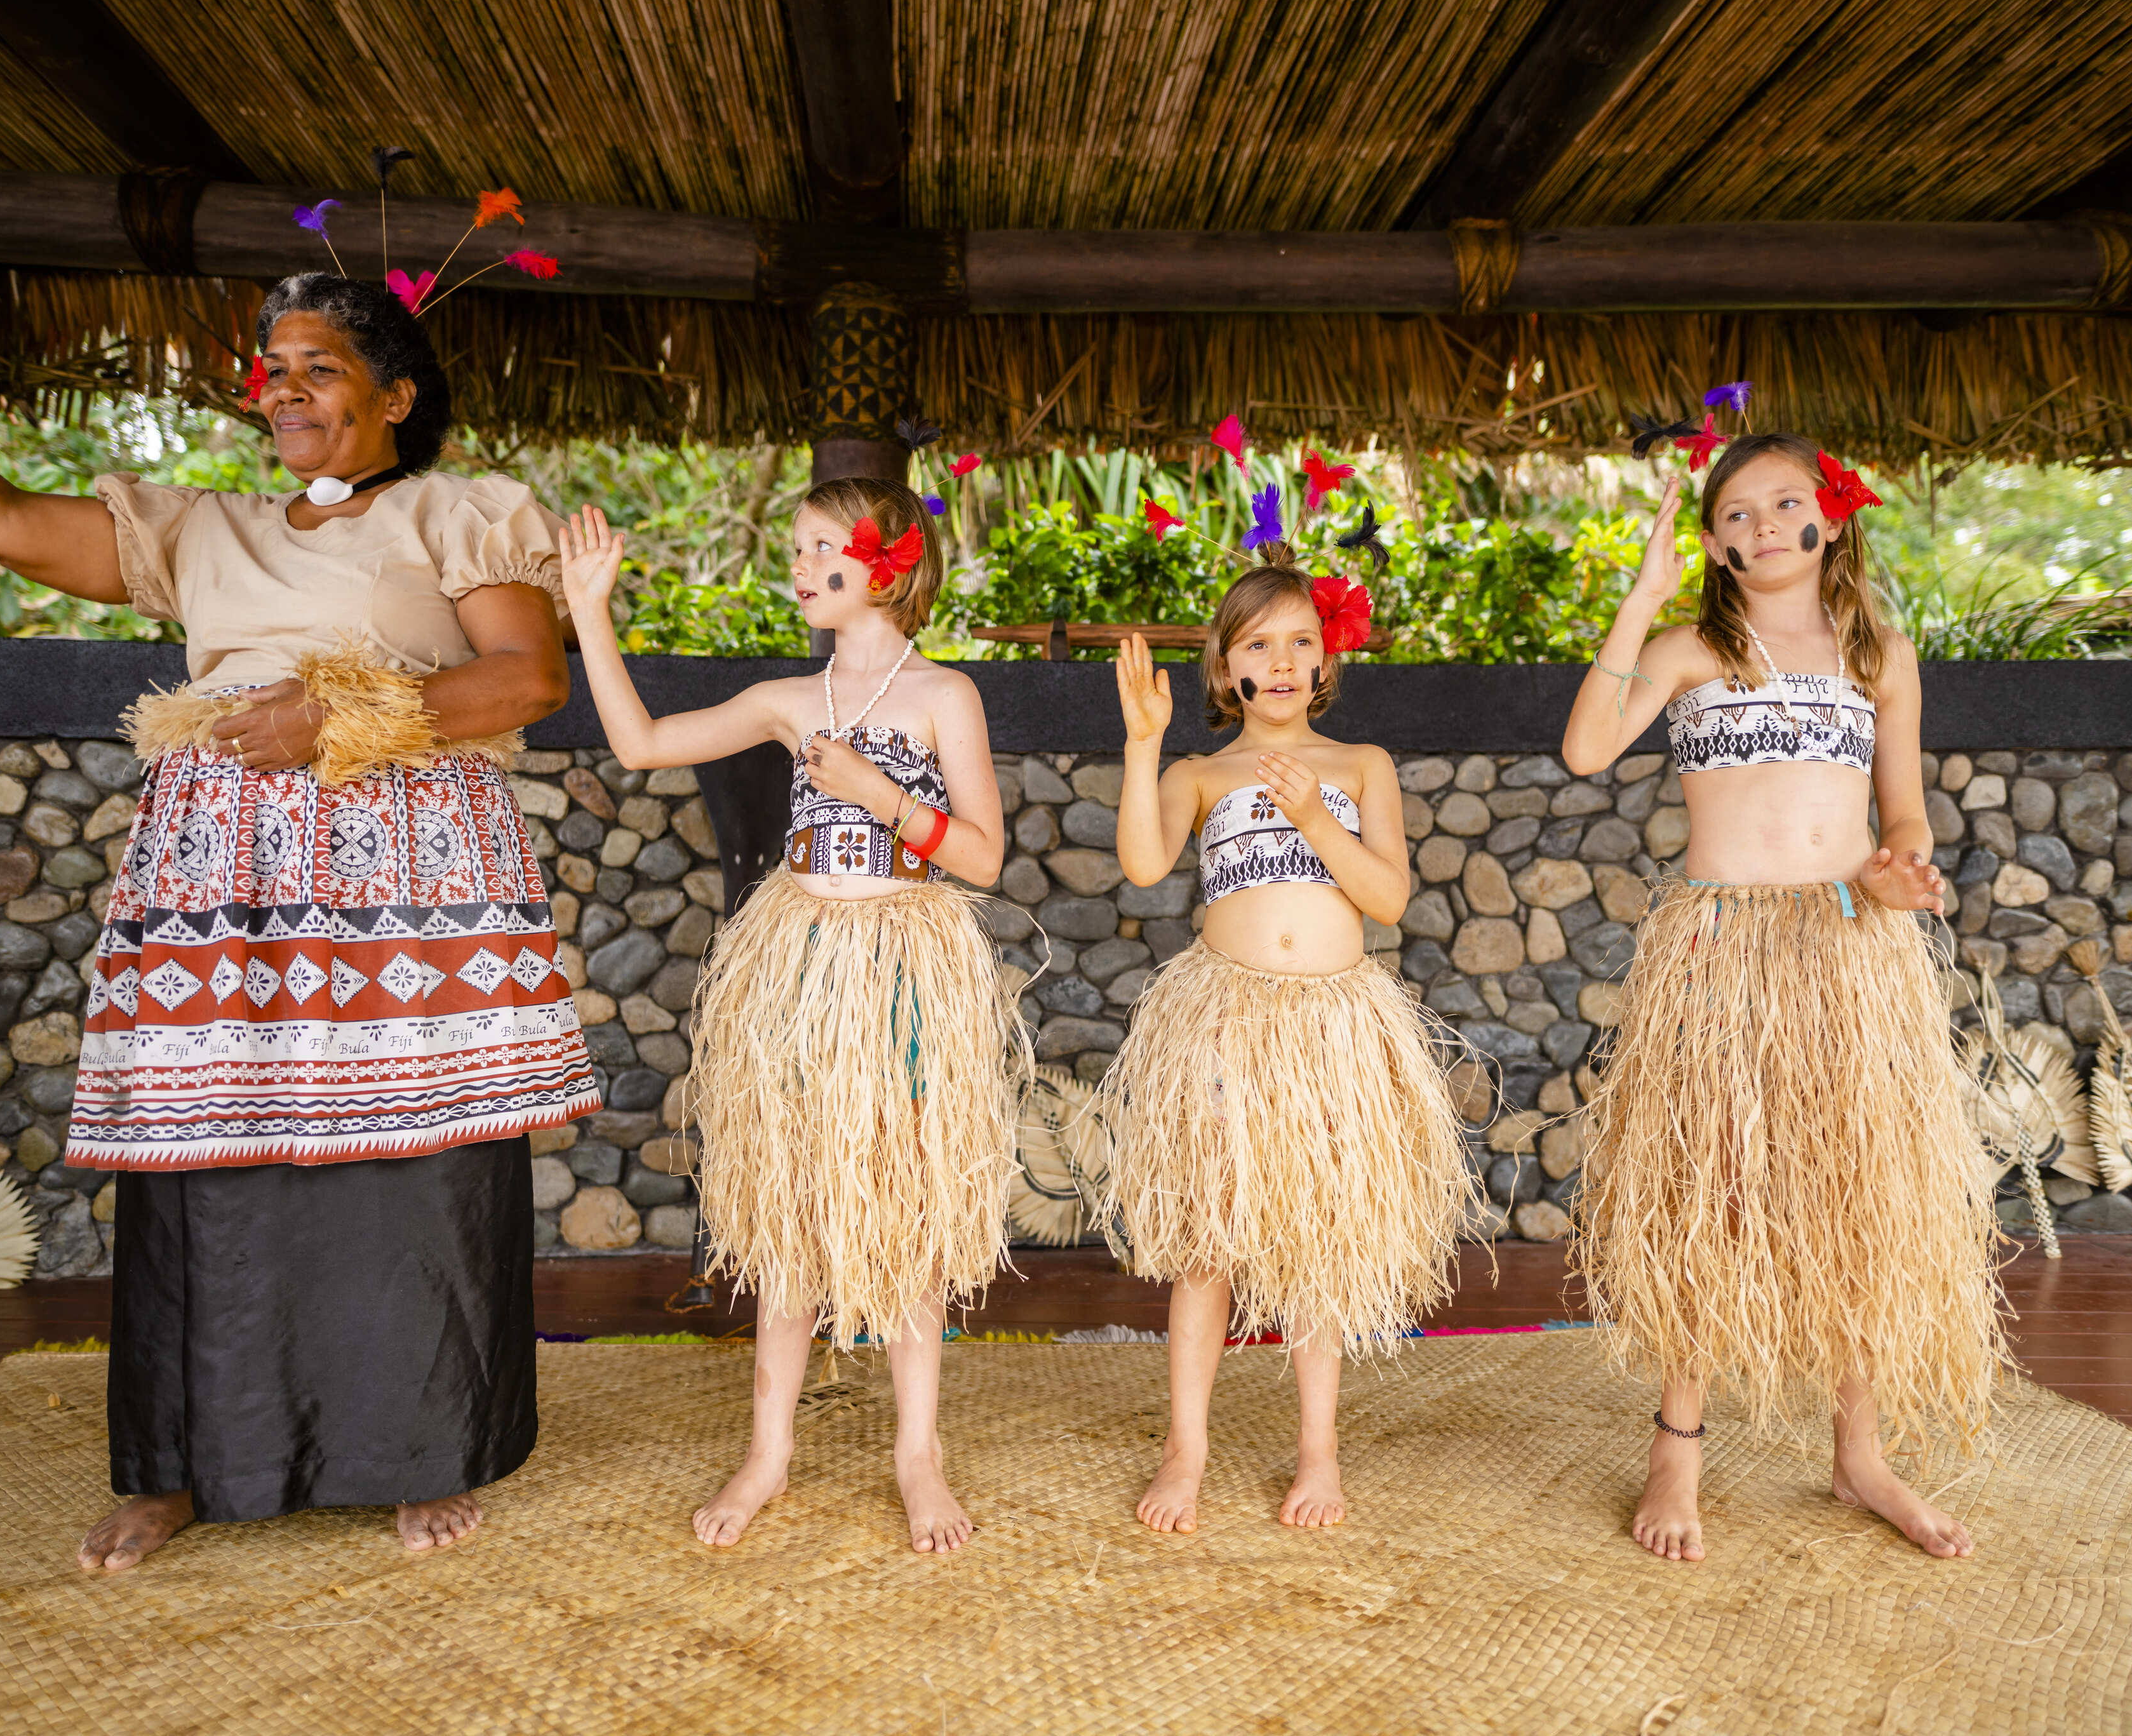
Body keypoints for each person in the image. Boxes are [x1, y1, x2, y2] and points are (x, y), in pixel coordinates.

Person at [0, 204, 599, 1569]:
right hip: (222, 876)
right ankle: (188, 1462)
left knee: (410, 1159)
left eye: (317, 364)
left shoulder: (457, 511)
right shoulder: (198, 529)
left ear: (396, 395)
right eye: (273, 365)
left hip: (405, 876)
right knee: (209, 1162)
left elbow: (527, 679)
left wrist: (334, 717)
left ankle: (423, 1442)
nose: (285, 386)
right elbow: (0, 517)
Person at [1560, 431, 2008, 1564]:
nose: (1762, 525)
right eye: (1736, 513)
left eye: (1783, 503)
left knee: (1857, 1193)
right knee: (1710, 1185)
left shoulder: (1880, 656)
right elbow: (1584, 748)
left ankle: (1860, 1456)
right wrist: (1642, 598)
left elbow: (1901, 812)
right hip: (1721, 948)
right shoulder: (1691, 650)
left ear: (1830, 518)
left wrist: (1895, 866)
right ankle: (1678, 1445)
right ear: (1710, 543)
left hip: (1851, 946)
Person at [556, 478, 1025, 1554]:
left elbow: (985, 861)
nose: (802, 564)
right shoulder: (783, 699)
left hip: (903, 965)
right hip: (802, 961)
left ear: (889, 567)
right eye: (799, 547)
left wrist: (879, 794)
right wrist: (589, 608)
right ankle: (768, 1452)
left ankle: (920, 1455)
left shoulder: (945, 698)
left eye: (824, 547)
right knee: (790, 1202)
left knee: (904, 1200)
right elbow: (639, 745)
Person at [1103, 546, 1477, 1533]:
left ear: (1326, 662)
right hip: (1226, 1019)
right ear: (1224, 668)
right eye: (1256, 644)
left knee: (1318, 1238)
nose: (1279, 660)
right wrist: (1144, 745)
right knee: (1208, 1241)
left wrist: (1316, 818)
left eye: (1299, 641)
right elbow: (1145, 866)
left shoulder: (1360, 768)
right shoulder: (1202, 772)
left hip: (1329, 1022)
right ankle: (1188, 1447)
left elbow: (1388, 897)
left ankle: (1320, 1453)